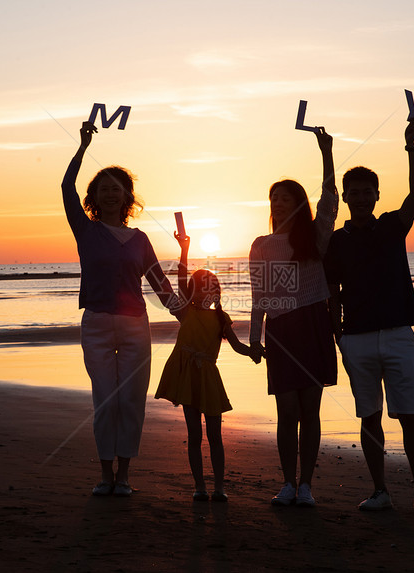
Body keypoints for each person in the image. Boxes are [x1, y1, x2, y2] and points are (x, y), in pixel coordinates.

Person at [323, 117, 414, 516]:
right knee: (369, 416)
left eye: (366, 192)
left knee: (410, 415)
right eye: (352, 193)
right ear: (346, 195)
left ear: (375, 195)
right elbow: (331, 290)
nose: (359, 198)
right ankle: (380, 491)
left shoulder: (392, 225)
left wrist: (411, 147)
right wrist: (337, 334)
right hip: (355, 337)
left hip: (397, 332)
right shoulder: (338, 240)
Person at [62, 121, 180, 497]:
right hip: (96, 323)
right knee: (105, 399)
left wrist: (187, 313)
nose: (111, 194)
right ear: (94, 195)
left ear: (127, 195)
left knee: (131, 401)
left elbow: (160, 283)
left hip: (134, 326)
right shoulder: (86, 230)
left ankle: (124, 476)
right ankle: (104, 475)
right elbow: (66, 188)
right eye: (104, 189)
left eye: (117, 189)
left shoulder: (140, 239)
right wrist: (82, 148)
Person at [248, 127, 338, 507]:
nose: (278, 203)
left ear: (299, 203)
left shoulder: (315, 237)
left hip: (314, 323)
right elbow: (259, 296)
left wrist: (326, 152)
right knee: (287, 411)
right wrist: (255, 338)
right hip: (281, 331)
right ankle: (288, 483)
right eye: (274, 199)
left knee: (310, 411)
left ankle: (306, 486)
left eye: (285, 198)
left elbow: (331, 200)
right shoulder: (262, 245)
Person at [155, 231, 251, 501]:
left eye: (213, 287)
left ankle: (219, 487)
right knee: (194, 435)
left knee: (215, 436)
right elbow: (181, 278)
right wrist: (184, 250)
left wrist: (258, 352)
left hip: (209, 378)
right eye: (203, 286)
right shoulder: (185, 311)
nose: (208, 291)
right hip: (188, 377)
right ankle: (200, 486)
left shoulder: (221, 317)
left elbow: (237, 346)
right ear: (193, 291)